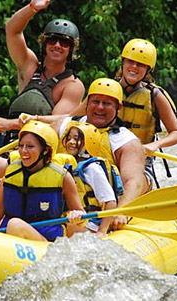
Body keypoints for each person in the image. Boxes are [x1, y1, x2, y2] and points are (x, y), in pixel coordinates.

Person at [20, 78, 148, 230]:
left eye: (107, 104)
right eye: (95, 102)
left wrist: (120, 212)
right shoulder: (64, 125)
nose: (100, 108)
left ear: (118, 107)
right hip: (51, 203)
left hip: (87, 215)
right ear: (86, 103)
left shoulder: (125, 140)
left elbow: (133, 181)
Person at [71, 39, 177, 187]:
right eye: (130, 62)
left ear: (148, 70)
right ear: (123, 63)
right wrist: (40, 119)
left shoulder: (155, 95)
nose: (134, 67)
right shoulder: (105, 89)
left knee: (129, 183)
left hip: (138, 161)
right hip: (102, 156)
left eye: (141, 64)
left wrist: (154, 145)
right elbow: (71, 118)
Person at [0, 121, 85, 242]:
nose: (23, 151)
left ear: (45, 150)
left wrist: (77, 215)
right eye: (21, 146)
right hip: (11, 238)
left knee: (15, 224)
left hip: (45, 242)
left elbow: (81, 215)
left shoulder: (63, 177)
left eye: (30, 146)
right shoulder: (10, 175)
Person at [0, 0, 84, 137]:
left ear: (71, 49)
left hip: (41, 150)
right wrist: (32, 8)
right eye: (52, 40)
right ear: (44, 44)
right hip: (11, 143)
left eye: (65, 42)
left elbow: (58, 125)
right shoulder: (29, 66)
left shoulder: (73, 85)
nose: (57, 45)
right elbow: (12, 30)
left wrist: (11, 124)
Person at [62, 122, 123, 238]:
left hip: (91, 224)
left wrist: (102, 231)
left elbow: (110, 202)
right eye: (69, 138)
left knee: (69, 227)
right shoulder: (67, 166)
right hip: (73, 218)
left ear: (89, 143)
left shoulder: (92, 169)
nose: (70, 142)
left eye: (76, 139)